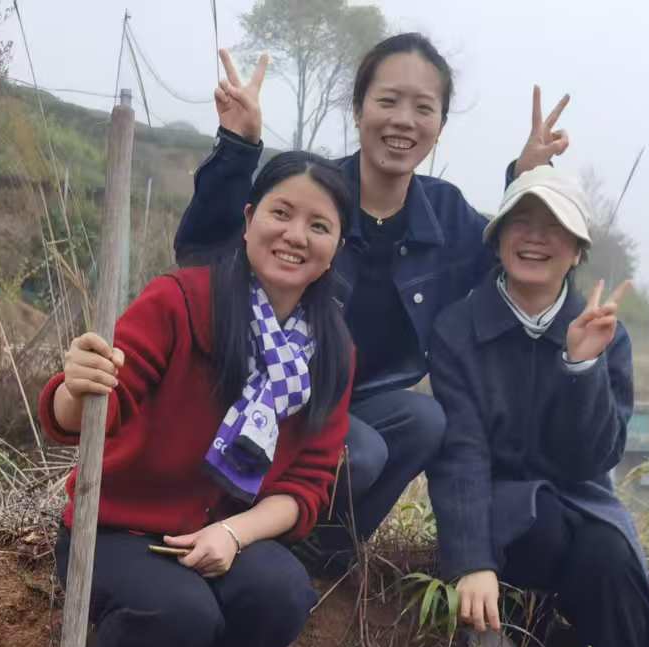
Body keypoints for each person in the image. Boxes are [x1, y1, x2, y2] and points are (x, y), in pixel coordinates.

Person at [175, 34, 571, 570]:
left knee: (424, 419)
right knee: (360, 451)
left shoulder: (446, 215)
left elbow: (511, 264)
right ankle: (257, 530)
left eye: (423, 108)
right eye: (388, 101)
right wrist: (238, 147)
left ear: (440, 125)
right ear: (359, 109)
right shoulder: (315, 193)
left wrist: (523, 183)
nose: (403, 120)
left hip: (360, 402)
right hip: (271, 391)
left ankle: (325, 554)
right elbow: (202, 251)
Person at [40, 152, 356, 647]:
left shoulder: (334, 352)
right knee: (181, 609)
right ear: (248, 219)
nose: (296, 235)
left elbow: (309, 485)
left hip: (219, 531)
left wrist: (232, 533)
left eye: (318, 225)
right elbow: (89, 412)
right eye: (281, 213)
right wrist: (77, 386)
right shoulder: (181, 302)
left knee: (282, 592)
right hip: (117, 530)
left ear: (336, 248)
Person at [426, 167, 649, 647]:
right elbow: (460, 450)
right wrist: (472, 561)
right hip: (495, 507)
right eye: (521, 222)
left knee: (609, 556)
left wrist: (580, 363)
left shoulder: (602, 329)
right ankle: (499, 621)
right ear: (497, 238)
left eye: (555, 229)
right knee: (544, 527)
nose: (535, 238)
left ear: (576, 251)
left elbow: (593, 458)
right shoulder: (459, 328)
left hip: (576, 498)